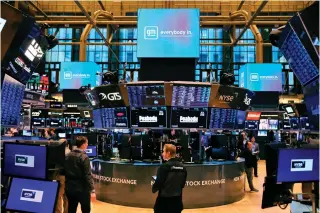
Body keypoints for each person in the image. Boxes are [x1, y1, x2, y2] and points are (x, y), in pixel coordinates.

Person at [152, 144, 187, 213]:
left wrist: (154, 188)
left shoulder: (164, 167)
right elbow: (182, 185)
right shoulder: (183, 167)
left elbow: (159, 183)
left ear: (168, 153)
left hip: (164, 203)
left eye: (163, 151)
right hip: (177, 202)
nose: (162, 154)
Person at [64, 136, 95, 213]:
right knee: (85, 210)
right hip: (82, 189)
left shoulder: (68, 155)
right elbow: (87, 175)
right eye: (87, 143)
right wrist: (92, 190)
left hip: (69, 187)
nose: (87, 144)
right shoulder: (84, 157)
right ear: (83, 144)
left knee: (71, 209)